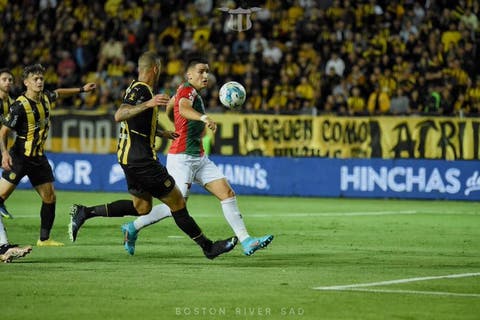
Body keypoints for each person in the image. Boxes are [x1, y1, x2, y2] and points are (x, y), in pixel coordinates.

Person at [77, 56, 273, 256]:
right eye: (201, 71)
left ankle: (247, 241)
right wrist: (202, 117)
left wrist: (176, 124)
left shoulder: (186, 91)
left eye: (207, 71)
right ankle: (134, 227)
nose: (205, 75)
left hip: (198, 156)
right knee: (177, 203)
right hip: (182, 157)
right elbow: (182, 107)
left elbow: (172, 107)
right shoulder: (187, 91)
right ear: (189, 74)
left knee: (227, 194)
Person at [0, 63, 96, 247]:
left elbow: (59, 92)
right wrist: (5, 154)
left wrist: (82, 89)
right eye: (35, 79)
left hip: (38, 158)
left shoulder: (45, 98)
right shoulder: (19, 106)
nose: (39, 82)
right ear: (26, 83)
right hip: (20, 157)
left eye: (41, 78)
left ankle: (44, 239)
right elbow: (3, 132)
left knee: (50, 197)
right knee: (1, 197)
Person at [0, 68, 33, 262]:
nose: (7, 82)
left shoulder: (13, 104)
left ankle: (4, 247)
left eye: (10, 79)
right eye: (3, 79)